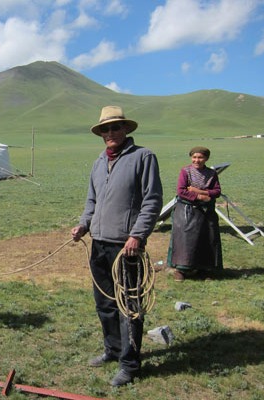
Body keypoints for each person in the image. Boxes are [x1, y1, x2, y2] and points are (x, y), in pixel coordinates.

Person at [71, 106, 163, 387]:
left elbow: (152, 200)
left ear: (126, 129)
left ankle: (130, 364)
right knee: (105, 303)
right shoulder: (99, 162)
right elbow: (92, 201)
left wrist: (137, 235)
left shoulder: (143, 157)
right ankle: (112, 349)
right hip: (99, 244)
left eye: (115, 127)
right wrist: (84, 224)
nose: (110, 133)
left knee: (129, 306)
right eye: (105, 129)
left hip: (127, 247)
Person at [167, 147, 223, 281]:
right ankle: (180, 270)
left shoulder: (211, 173)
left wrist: (198, 191)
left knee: (207, 239)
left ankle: (205, 269)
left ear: (206, 159)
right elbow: (181, 191)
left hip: (206, 212)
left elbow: (217, 192)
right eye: (194, 157)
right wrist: (200, 197)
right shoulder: (185, 171)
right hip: (187, 210)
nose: (196, 160)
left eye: (200, 157)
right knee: (185, 240)